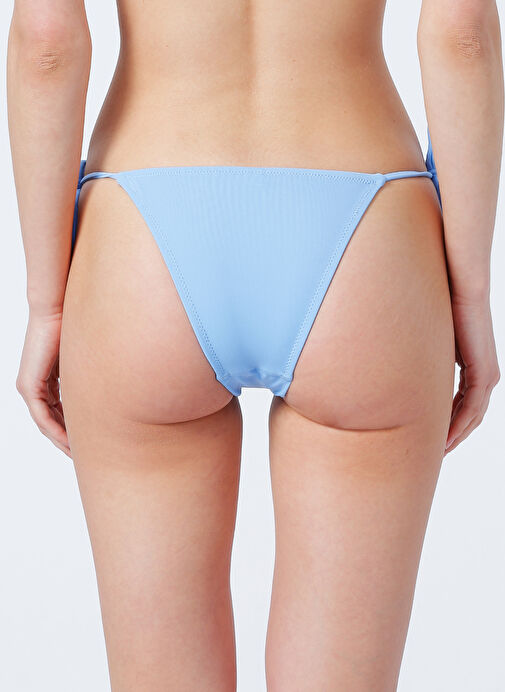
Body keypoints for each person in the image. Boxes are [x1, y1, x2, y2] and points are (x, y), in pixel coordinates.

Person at [7, 0, 502, 689]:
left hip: (144, 232)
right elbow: (463, 32)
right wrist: (469, 297)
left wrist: (47, 305)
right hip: (365, 231)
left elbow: (46, 42)